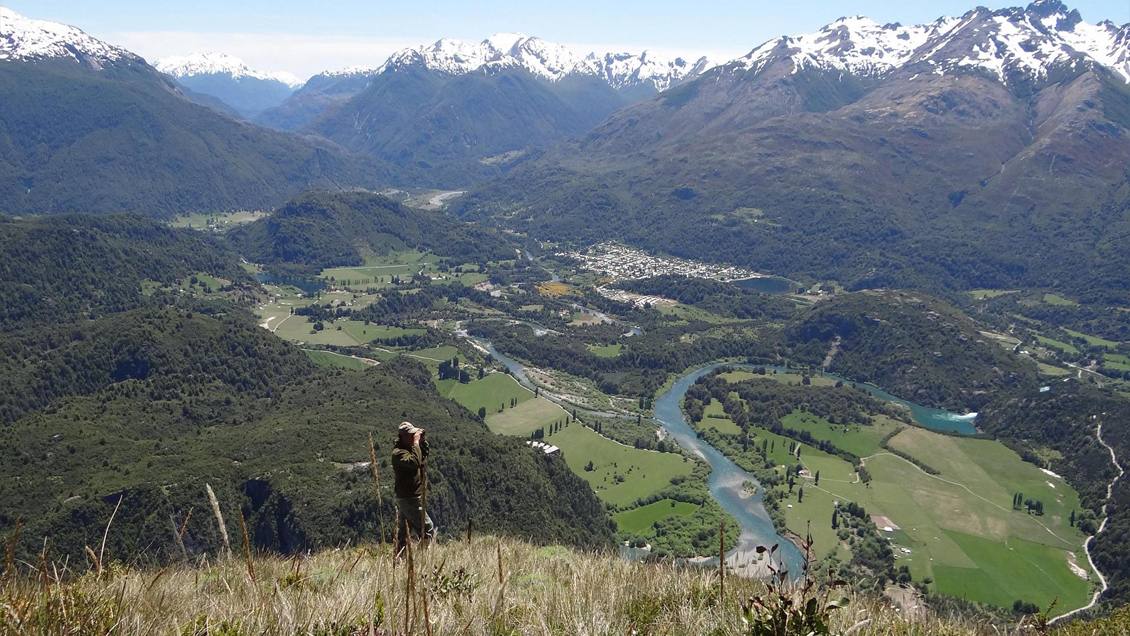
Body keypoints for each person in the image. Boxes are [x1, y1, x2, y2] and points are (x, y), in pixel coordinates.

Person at [392, 421, 435, 554]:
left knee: (404, 533)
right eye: (411, 435)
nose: (413, 437)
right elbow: (415, 462)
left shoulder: (409, 450)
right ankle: (420, 556)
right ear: (404, 437)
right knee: (427, 529)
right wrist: (416, 443)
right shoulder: (398, 454)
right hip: (409, 497)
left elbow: (422, 460)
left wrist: (422, 442)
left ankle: (400, 559)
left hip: (409, 496)